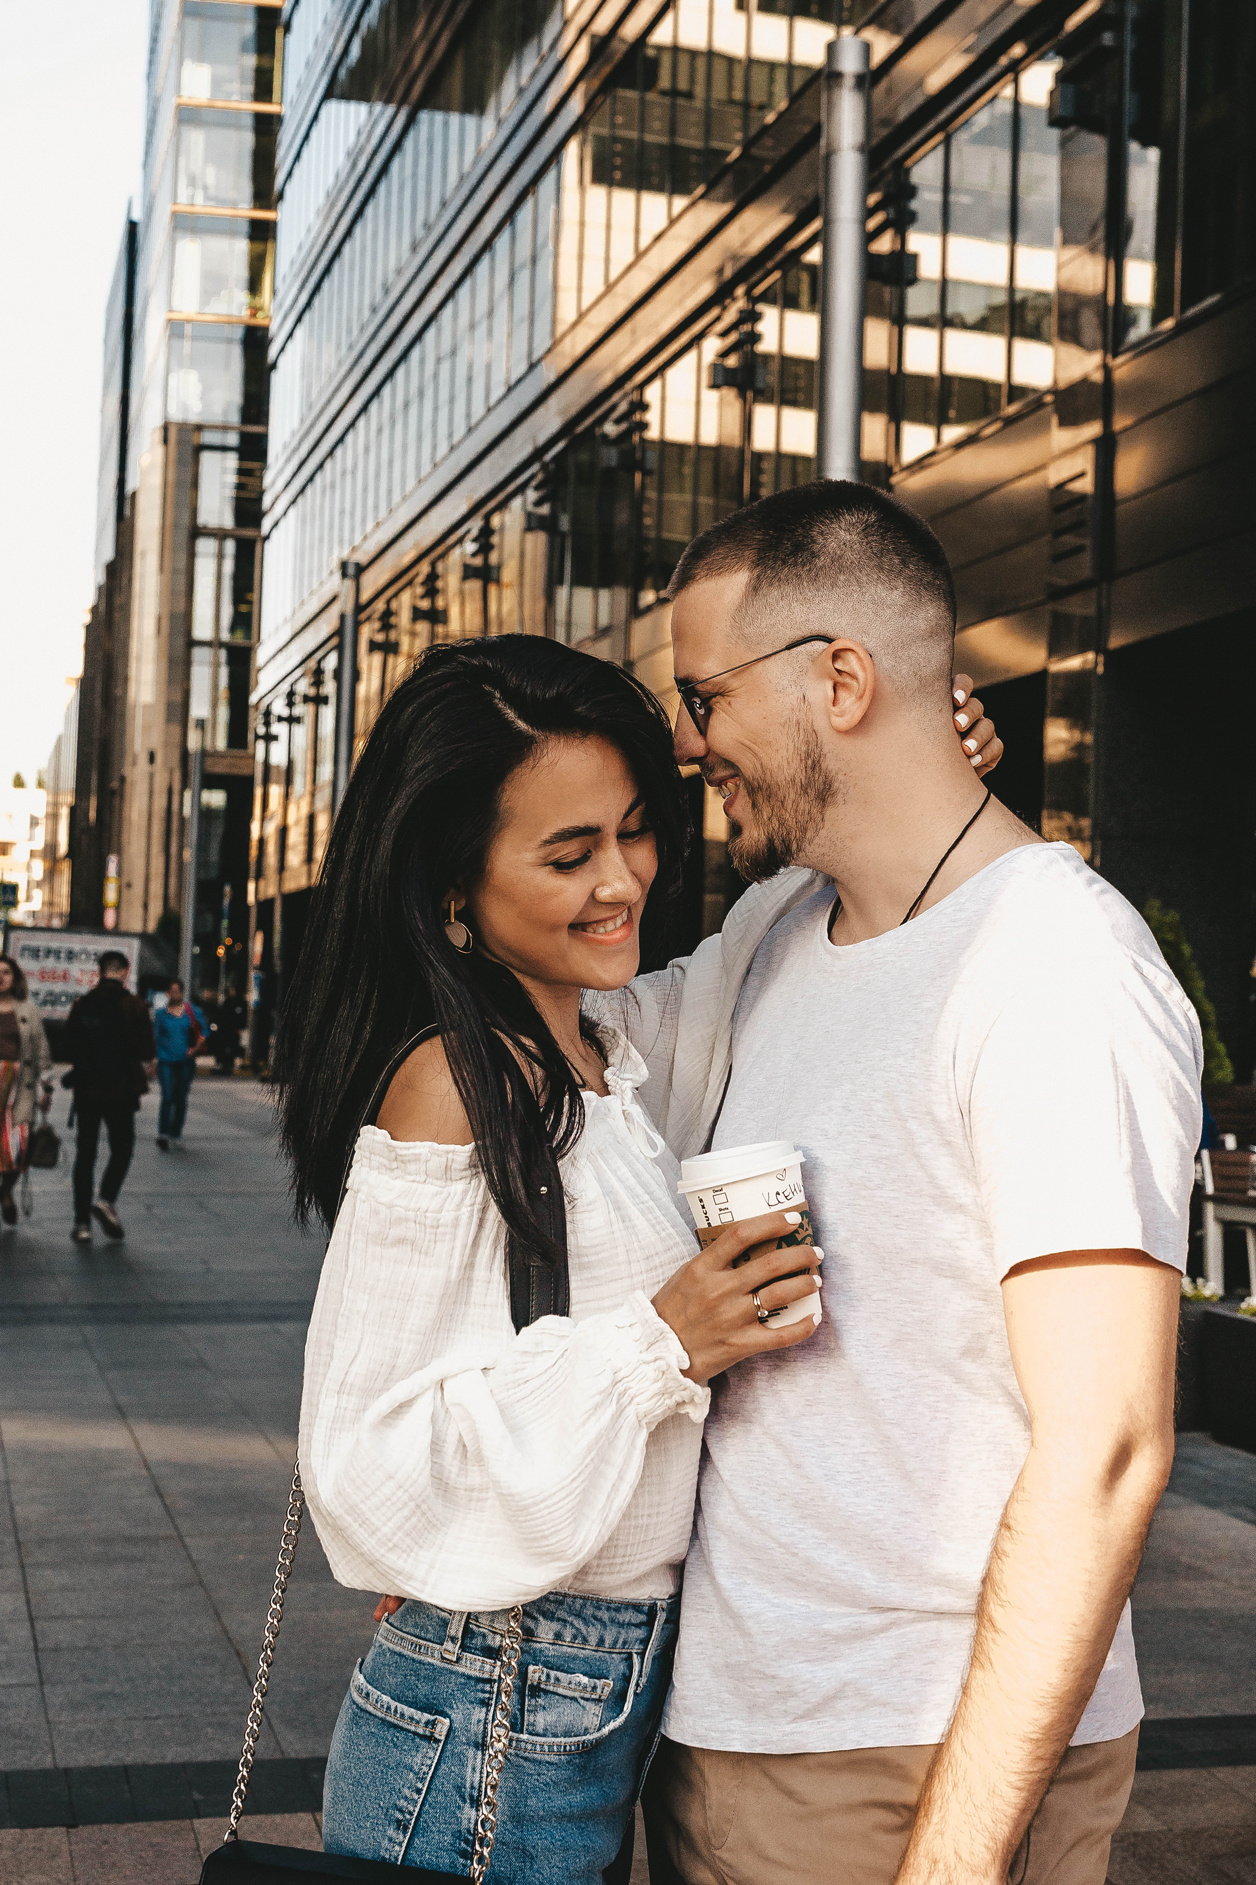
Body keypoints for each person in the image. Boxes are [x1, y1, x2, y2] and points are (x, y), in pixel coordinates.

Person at [595, 480, 1199, 1885]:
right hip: (732, 1728)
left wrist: (955, 1859)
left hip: (913, 1754)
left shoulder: (1057, 968)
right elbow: (572, 1038)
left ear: (841, 679)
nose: (689, 744)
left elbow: (1107, 1452)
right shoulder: (775, 932)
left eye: (705, 696)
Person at [278, 637, 835, 1885]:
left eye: (633, 831)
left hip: (575, 1690)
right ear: (452, 892)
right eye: (567, 852)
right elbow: (360, 1456)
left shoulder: (601, 1054)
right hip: (494, 1699)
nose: (620, 880)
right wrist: (659, 1340)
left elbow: (754, 952)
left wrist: (911, 768)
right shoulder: (452, 1085)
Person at [64, 950, 156, 1244]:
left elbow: (68, 1046)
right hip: (121, 1090)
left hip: (87, 1090)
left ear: (100, 970)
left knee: (85, 1154)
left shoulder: (83, 1005)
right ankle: (105, 1199)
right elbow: (146, 1051)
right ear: (126, 971)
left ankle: (81, 1224)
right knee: (122, 1147)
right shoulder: (135, 1006)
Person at [0, 955, 52, 1227]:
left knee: (19, 1144)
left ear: (15, 977)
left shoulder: (27, 1009)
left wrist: (47, 1084)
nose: (1, 977)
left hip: (19, 1086)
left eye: (6, 972)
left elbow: (41, 1046)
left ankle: (5, 1191)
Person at [153, 978, 205, 1148]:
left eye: (178, 991)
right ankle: (163, 1132)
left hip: (185, 1061)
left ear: (182, 993)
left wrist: (195, 1049)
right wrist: (153, 1060)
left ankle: (175, 1131)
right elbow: (156, 1037)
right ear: (167, 994)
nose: (175, 994)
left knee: (180, 1098)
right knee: (167, 1096)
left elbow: (204, 1031)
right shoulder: (161, 1014)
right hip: (165, 1060)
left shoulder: (192, 1012)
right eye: (172, 991)